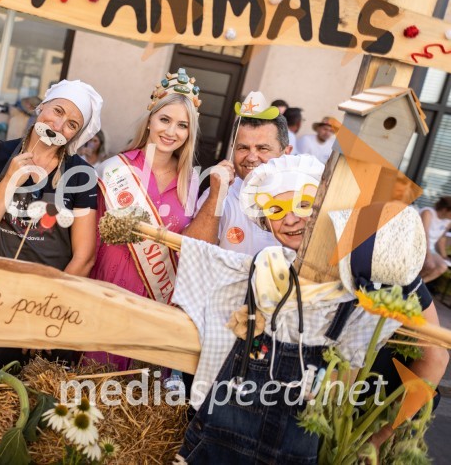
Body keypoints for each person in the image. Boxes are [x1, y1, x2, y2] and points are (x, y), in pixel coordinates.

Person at [175, 156, 446, 463]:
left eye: (304, 206)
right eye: (276, 211)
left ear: (323, 207)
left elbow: (434, 357)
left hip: (370, 422)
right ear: (264, 222)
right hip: (310, 428)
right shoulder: (273, 270)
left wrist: (377, 439)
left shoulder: (374, 261)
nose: (290, 219)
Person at [0, 79, 102, 368]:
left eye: (72, 124)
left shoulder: (81, 175)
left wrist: (46, 312)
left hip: (47, 307)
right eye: (58, 111)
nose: (60, 126)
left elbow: (84, 258)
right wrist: (9, 181)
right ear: (41, 107)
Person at [85, 69, 200, 370]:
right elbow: (90, 238)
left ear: (190, 133)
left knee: (136, 401)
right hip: (106, 294)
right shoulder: (113, 168)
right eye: (165, 120)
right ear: (150, 120)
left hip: (156, 304)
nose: (171, 131)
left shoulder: (193, 182)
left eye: (182, 125)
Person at [183, 113, 292, 255]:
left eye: (263, 148)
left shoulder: (303, 198)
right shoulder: (219, 193)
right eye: (243, 148)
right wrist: (216, 197)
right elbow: (191, 253)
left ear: (287, 153)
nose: (252, 158)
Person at [419, 196, 451, 282]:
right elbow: (423, 236)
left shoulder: (448, 222)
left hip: (431, 248)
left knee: (443, 267)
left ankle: (415, 287)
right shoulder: (428, 213)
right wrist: (428, 256)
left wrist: (444, 256)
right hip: (418, 245)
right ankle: (408, 283)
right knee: (430, 265)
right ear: (445, 210)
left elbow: (441, 240)